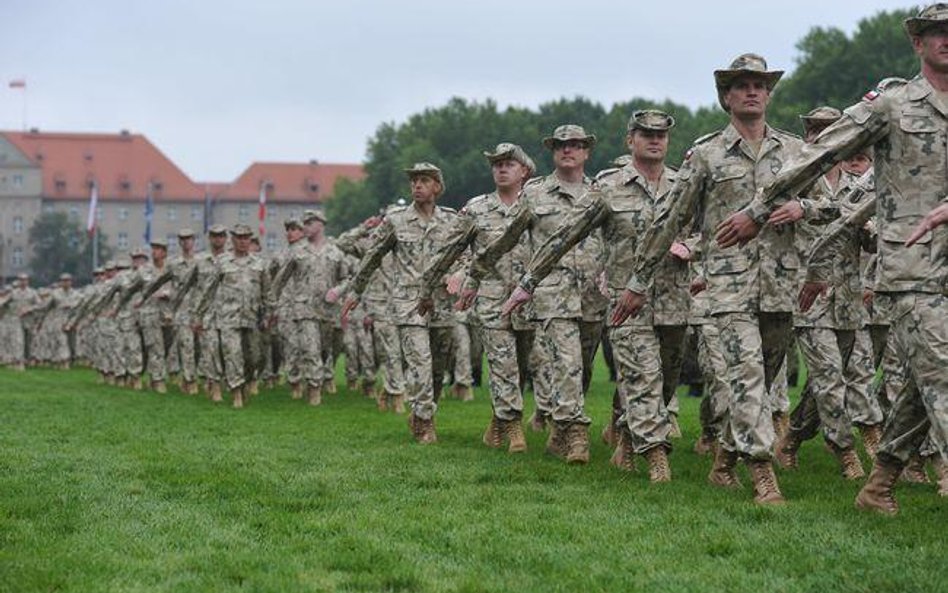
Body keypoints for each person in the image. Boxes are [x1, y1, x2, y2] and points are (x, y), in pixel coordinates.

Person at [718, 4, 948, 513]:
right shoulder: (892, 106)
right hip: (915, 272)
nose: (945, 39)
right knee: (944, 376)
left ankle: (879, 484)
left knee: (919, 385)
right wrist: (761, 207)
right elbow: (820, 154)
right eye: (935, 32)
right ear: (917, 43)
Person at [619, 54, 806, 504]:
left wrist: (806, 209)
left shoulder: (795, 151)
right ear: (727, 97)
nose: (752, 91)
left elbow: (832, 205)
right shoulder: (706, 154)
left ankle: (724, 459)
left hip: (780, 287)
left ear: (769, 94)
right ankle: (763, 473)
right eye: (742, 85)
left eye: (760, 84)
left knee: (758, 384)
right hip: (729, 288)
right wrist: (638, 280)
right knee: (744, 379)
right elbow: (672, 220)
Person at [503, 111, 691, 481]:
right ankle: (652, 455)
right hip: (622, 301)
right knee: (635, 375)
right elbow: (564, 236)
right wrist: (526, 283)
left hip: (670, 297)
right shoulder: (607, 188)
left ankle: (623, 430)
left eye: (661, 134)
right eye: (645, 134)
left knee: (665, 378)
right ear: (630, 141)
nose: (654, 140)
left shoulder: (684, 184)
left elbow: (708, 227)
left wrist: (691, 246)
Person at [466, 125, 607, 464]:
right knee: (566, 363)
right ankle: (576, 435)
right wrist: (474, 275)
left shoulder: (603, 193)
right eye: (560, 146)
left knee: (581, 369)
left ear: (586, 151)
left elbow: (618, 237)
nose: (567, 150)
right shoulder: (535, 193)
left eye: (575, 145)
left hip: (592, 295)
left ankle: (560, 426)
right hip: (550, 294)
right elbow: (506, 239)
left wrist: (612, 272)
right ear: (552, 152)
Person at [419, 142, 539, 453]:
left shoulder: (540, 204)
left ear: (524, 170)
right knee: (502, 365)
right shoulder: (476, 209)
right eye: (496, 164)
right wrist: (458, 272)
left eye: (508, 163)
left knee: (523, 367)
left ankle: (497, 422)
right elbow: (448, 249)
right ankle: (514, 428)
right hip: (491, 300)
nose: (500, 168)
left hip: (530, 301)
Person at [341, 163, 458, 443]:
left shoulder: (452, 221)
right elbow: (372, 256)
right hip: (409, 303)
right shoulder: (395, 221)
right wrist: (355, 291)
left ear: (437, 187)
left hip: (442, 303)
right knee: (420, 362)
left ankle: (423, 412)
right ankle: (425, 422)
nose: (417, 185)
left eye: (424, 180)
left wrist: (460, 274)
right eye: (414, 181)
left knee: (438, 368)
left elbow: (464, 254)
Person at [193, 224, 271, 409]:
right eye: (239, 237)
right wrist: (198, 315)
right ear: (233, 239)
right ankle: (236, 393)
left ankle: (246, 381)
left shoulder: (259, 263)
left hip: (252, 318)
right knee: (233, 354)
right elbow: (208, 290)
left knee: (254, 356)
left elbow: (267, 292)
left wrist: (268, 314)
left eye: (246, 238)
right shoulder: (222, 262)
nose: (243, 241)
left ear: (250, 240)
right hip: (227, 318)